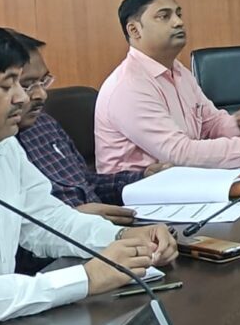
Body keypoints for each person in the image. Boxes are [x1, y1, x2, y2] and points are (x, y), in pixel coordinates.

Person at [0, 18, 177, 325]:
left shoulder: (2, 146)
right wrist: (84, 279)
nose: (21, 98)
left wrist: (123, 238)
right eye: (7, 85)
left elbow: (47, 219)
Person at [94, 0, 240, 173]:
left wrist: (239, 125)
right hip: (141, 194)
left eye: (178, 14)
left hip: (183, 181)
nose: (178, 22)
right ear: (134, 30)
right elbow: (179, 153)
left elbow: (209, 123)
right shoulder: (128, 86)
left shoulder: (178, 71)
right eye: (164, 16)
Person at [12, 31, 170, 225]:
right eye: (27, 85)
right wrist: (73, 217)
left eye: (43, 81)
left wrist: (142, 177)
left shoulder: (44, 124)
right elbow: (15, 229)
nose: (41, 95)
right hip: (65, 239)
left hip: (105, 232)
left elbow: (86, 183)